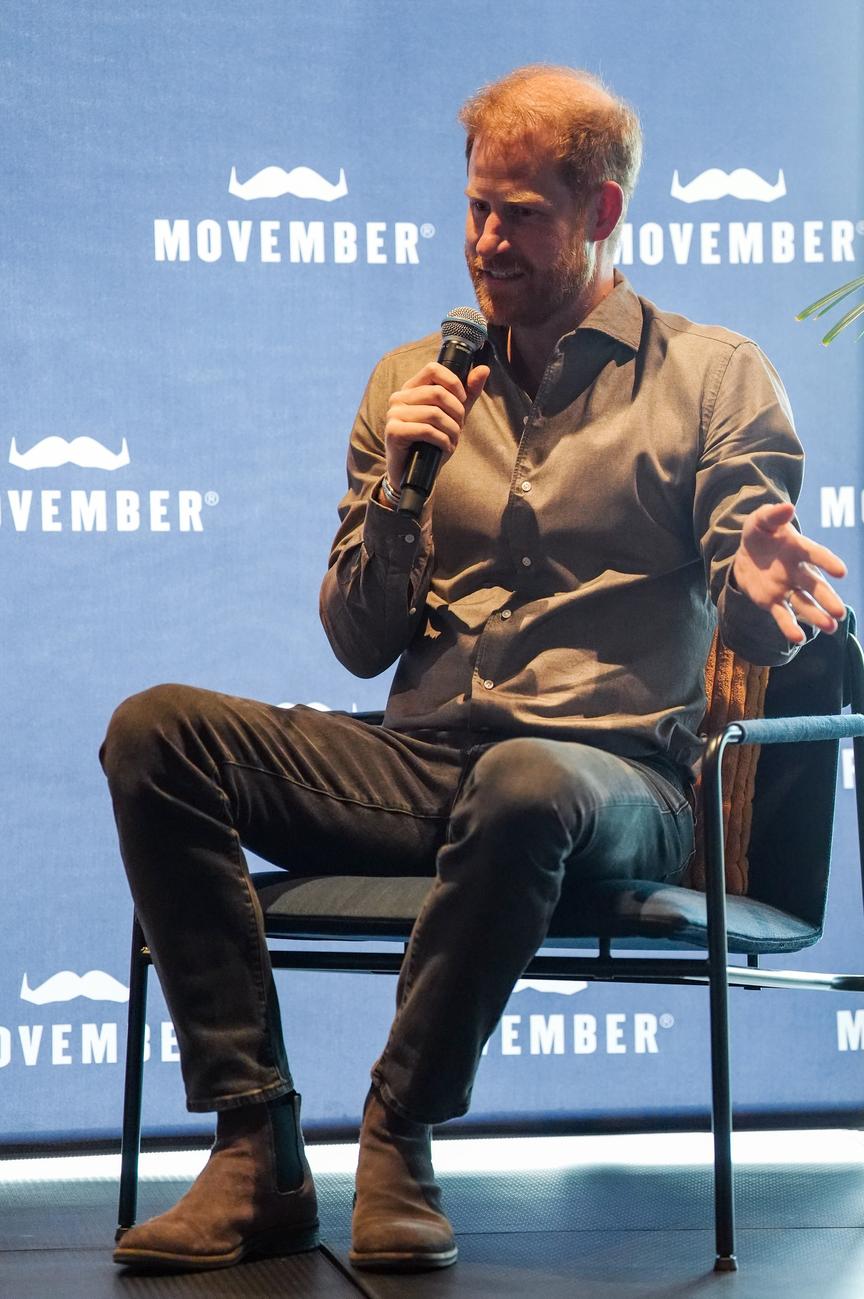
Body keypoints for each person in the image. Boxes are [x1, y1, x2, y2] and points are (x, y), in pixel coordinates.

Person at [100, 64, 846, 1275]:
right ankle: (255, 1147)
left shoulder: (711, 377)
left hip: (612, 783)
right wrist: (399, 495)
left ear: (603, 212)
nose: (488, 241)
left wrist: (759, 606)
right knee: (157, 733)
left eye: (523, 214)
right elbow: (358, 641)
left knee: (526, 781)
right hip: (426, 765)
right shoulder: (415, 383)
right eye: (477, 209)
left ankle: (399, 1129)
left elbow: (752, 577)